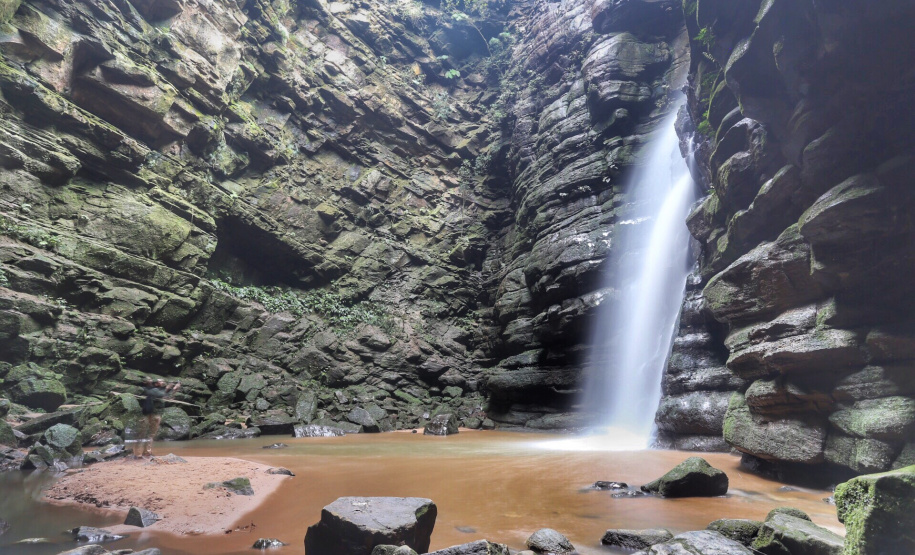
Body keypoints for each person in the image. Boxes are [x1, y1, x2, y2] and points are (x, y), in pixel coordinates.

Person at [138, 378, 180, 457]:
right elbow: (162, 395)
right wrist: (169, 388)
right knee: (148, 433)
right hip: (153, 415)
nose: (163, 382)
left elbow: (168, 398)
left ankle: (144, 451)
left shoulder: (156, 391)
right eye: (161, 381)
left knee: (149, 434)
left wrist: (174, 390)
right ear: (156, 384)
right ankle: (144, 452)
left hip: (153, 415)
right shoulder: (154, 390)